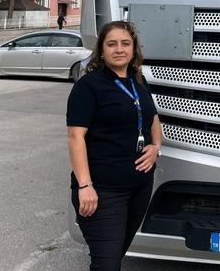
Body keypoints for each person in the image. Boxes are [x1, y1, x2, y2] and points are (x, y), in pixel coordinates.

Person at [66, 21, 161, 270]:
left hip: (139, 188)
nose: (119, 49)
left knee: (115, 255)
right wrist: (85, 186)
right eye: (112, 44)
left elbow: (153, 119)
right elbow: (75, 137)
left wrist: (156, 147)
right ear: (101, 50)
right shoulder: (88, 86)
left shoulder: (139, 81)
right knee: (106, 263)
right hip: (102, 190)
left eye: (125, 43)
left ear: (133, 49)